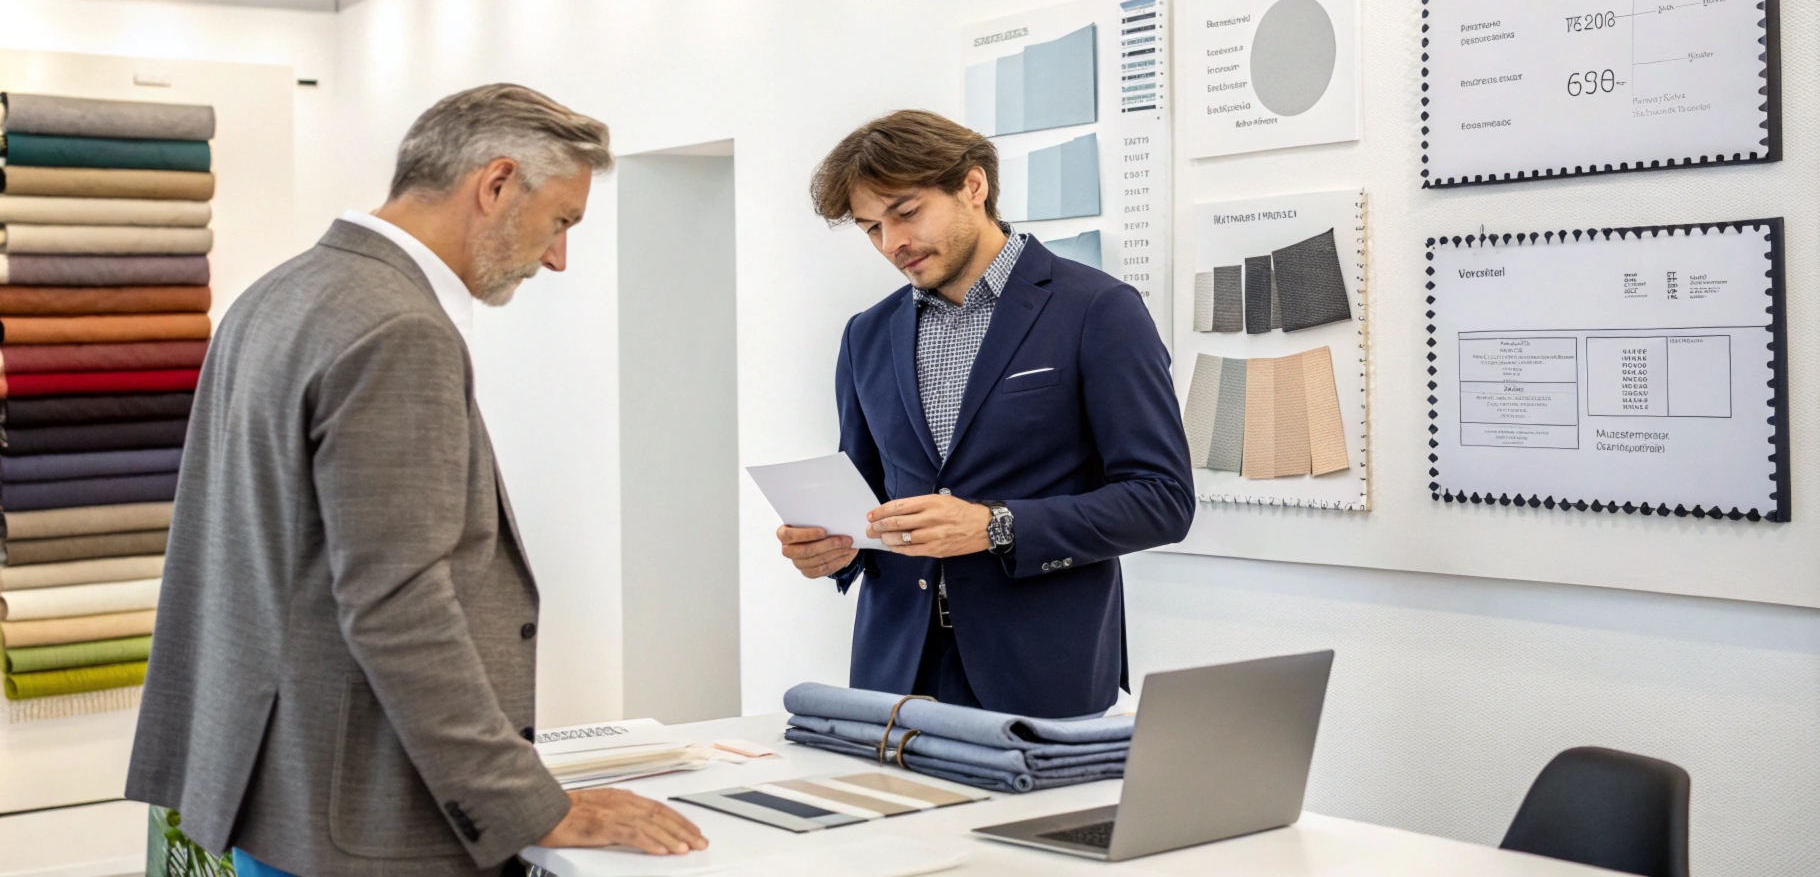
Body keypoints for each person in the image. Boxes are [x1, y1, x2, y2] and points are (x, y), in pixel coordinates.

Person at [127, 84, 706, 876]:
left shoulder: (276, 294)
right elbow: (398, 604)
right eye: (562, 220)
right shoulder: (399, 327)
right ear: (496, 184)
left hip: (278, 793)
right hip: (364, 815)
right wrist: (531, 807)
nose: (558, 256)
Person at [776, 109, 1194, 719]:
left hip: (1042, 670)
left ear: (973, 187)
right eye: (871, 228)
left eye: (906, 212)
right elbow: (867, 498)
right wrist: (835, 549)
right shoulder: (866, 335)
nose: (892, 243)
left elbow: (1161, 500)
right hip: (894, 675)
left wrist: (995, 525)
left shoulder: (1099, 310)